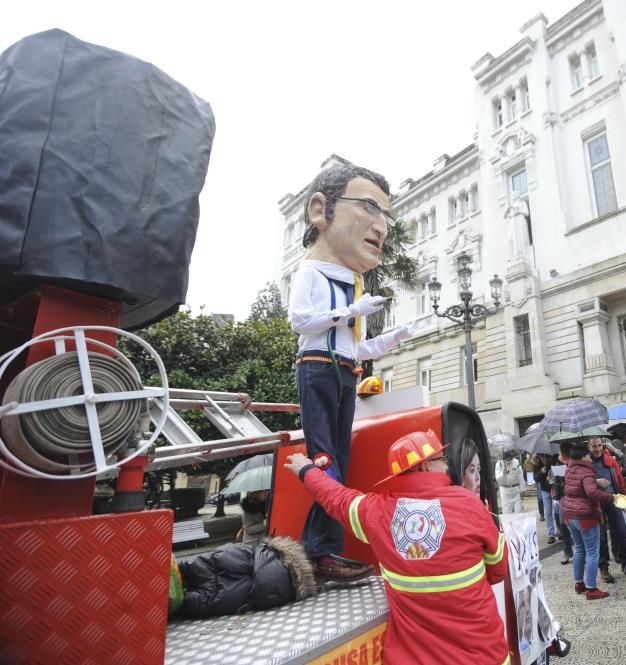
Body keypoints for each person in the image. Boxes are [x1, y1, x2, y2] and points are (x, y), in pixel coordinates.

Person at [284, 430, 509, 664]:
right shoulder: (469, 505)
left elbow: (337, 498)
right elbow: (498, 570)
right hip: (483, 655)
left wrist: (307, 471)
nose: (446, 465)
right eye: (441, 459)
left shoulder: (378, 512)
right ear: (423, 466)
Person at [289, 162, 415, 582]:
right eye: (368, 207)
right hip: (318, 368)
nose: (381, 226)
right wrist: (348, 312)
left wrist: (393, 338)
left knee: (339, 457)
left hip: (345, 370)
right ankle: (323, 550)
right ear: (320, 210)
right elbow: (301, 323)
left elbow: (357, 346)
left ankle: (317, 549)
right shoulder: (309, 272)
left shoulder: (352, 283)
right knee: (325, 460)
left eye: (386, 215)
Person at [178, 536, 316, 618]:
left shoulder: (265, 554)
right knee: (209, 598)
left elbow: (217, 559)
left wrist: (183, 568)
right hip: (255, 589)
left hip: (256, 563)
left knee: (215, 563)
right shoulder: (282, 589)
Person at [561, 439, 617, 600]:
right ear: (584, 457)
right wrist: (611, 496)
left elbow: (577, 488)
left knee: (579, 549)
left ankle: (579, 584)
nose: (591, 458)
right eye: (588, 456)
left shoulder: (570, 469)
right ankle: (591, 589)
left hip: (570, 514)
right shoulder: (587, 471)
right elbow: (592, 493)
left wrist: (594, 482)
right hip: (585, 515)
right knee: (592, 552)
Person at [588, 437, 626, 581]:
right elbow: (582, 482)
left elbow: (621, 482)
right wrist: (595, 482)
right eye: (594, 446)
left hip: (614, 500)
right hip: (596, 503)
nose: (597, 449)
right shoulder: (586, 463)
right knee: (601, 537)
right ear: (589, 447)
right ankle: (603, 567)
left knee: (622, 532)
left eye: (599, 445)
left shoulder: (611, 461)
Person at [534, 454, 558, 544]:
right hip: (545, 490)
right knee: (548, 512)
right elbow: (535, 478)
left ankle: (560, 531)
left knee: (557, 511)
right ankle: (551, 534)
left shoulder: (554, 463)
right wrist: (541, 472)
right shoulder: (538, 466)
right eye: (542, 457)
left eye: (546, 457)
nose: (544, 459)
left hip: (555, 489)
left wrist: (552, 477)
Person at [495, 449, 525, 514]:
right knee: (507, 514)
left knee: (518, 513)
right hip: (505, 492)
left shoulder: (516, 462)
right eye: (507, 460)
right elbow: (497, 479)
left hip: (515, 490)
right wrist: (503, 473)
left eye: (510, 459)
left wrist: (522, 489)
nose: (509, 461)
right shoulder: (499, 464)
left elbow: (520, 476)